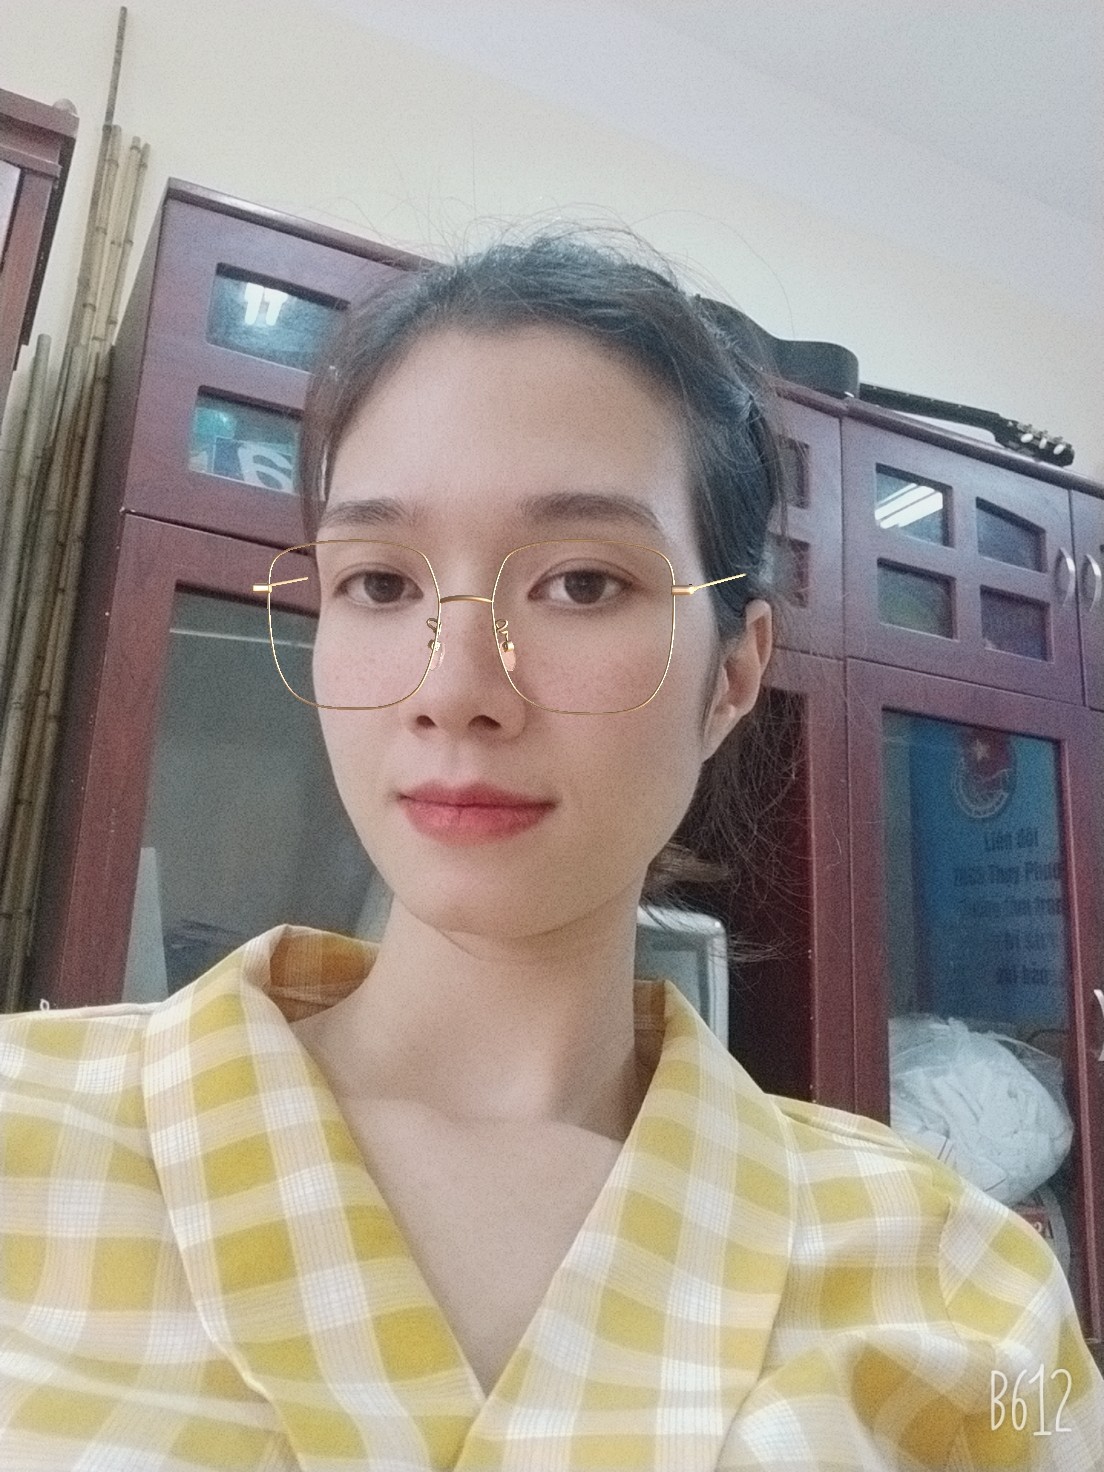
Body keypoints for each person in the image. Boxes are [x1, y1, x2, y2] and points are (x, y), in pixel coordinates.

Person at [1, 229, 1102, 1472]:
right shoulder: (24, 1130)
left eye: (581, 583)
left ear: (735, 672)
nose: (454, 689)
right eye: (379, 583)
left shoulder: (964, 1290)